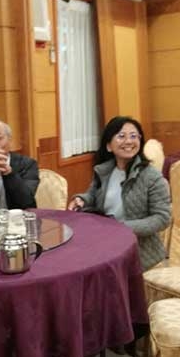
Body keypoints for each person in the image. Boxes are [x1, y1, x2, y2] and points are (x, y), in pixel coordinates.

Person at [68, 116, 171, 270]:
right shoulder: (104, 171)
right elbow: (92, 195)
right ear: (109, 146)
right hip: (105, 243)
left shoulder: (152, 177)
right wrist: (81, 200)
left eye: (134, 136)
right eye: (121, 136)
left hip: (139, 252)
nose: (129, 141)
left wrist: (122, 227)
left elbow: (162, 218)